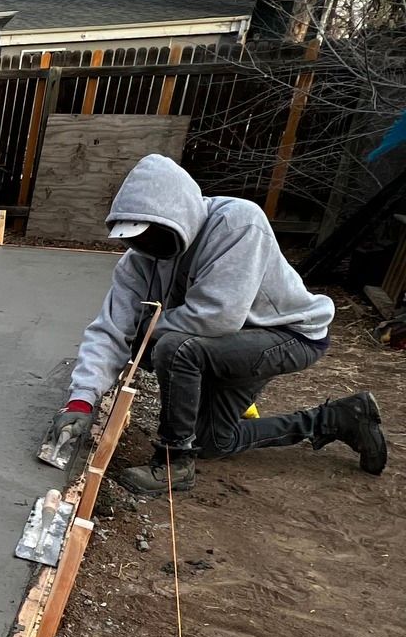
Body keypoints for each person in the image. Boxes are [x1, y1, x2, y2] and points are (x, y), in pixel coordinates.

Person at [43, 154, 387, 494]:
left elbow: (218, 315)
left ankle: (173, 460)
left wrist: (148, 332)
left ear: (176, 218)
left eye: (152, 237)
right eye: (137, 240)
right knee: (212, 441)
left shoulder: (238, 223)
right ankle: (336, 419)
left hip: (287, 335)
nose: (146, 248)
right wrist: (82, 401)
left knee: (172, 348)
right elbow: (111, 329)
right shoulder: (139, 262)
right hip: (227, 342)